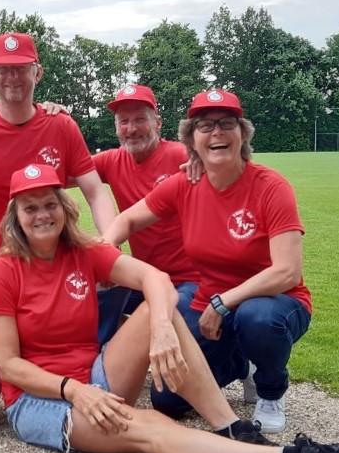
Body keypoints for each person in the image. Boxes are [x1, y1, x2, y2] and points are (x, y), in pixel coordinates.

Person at [0, 163, 339, 453]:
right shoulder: (3, 272)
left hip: (95, 375)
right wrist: (74, 391)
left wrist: (163, 330)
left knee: (158, 307)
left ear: (64, 208)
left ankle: (231, 427)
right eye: (30, 207)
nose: (42, 214)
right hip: (43, 400)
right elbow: (9, 366)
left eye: (49, 203)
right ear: (16, 216)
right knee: (150, 426)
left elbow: (156, 279)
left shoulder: (82, 252)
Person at [103, 89, 311, 434]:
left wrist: (224, 301)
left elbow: (287, 271)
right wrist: (107, 250)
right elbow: (127, 220)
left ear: (242, 134)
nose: (216, 133)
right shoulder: (184, 183)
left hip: (274, 302)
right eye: (205, 126)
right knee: (168, 400)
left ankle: (271, 390)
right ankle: (235, 363)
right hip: (209, 300)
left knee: (256, 318)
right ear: (192, 141)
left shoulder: (271, 186)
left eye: (227, 124)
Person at [0, 31, 116, 260]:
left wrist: (111, 244)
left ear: (37, 73)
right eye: (3, 69)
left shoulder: (62, 125)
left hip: (56, 271)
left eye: (21, 68)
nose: (13, 77)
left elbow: (95, 192)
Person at [92, 84, 200, 343]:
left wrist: (204, 159)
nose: (131, 129)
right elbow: (59, 171)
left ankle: (240, 358)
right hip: (144, 275)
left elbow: (233, 170)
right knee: (89, 293)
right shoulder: (111, 161)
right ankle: (102, 363)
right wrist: (48, 117)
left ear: (158, 122)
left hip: (190, 278)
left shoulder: (181, 155)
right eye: (124, 121)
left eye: (140, 119)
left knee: (183, 326)